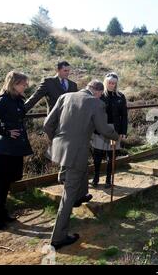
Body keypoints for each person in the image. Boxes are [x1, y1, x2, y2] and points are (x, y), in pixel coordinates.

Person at [43, 80, 119, 250]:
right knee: (68, 194)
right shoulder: (96, 103)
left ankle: (79, 193)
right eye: (101, 93)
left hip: (60, 148)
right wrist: (117, 136)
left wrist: (58, 140)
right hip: (76, 152)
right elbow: (104, 129)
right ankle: (58, 237)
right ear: (98, 92)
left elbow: (47, 124)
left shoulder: (65, 96)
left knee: (78, 170)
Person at [0, 71, 33, 230]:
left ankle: (3, 212)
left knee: (8, 181)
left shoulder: (17, 99)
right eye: (23, 84)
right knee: (2, 183)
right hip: (6, 147)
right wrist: (5, 131)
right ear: (14, 83)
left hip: (16, 147)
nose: (25, 86)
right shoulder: (5, 99)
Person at [91, 73, 128, 188]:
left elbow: (124, 116)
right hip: (100, 129)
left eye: (114, 83)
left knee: (111, 156)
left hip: (114, 131)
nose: (112, 85)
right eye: (109, 83)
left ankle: (108, 180)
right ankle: (96, 178)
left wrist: (123, 132)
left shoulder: (120, 96)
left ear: (116, 84)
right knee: (97, 156)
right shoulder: (99, 96)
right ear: (105, 82)